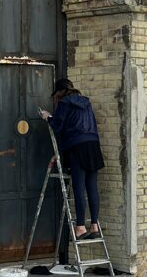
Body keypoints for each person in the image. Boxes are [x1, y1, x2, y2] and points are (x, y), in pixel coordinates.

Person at [40, 78, 105, 240]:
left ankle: (80, 227)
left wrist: (48, 117)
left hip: (77, 147)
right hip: (93, 145)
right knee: (92, 187)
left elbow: (58, 126)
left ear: (60, 92)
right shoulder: (86, 102)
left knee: (79, 187)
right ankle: (94, 226)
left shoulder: (64, 103)